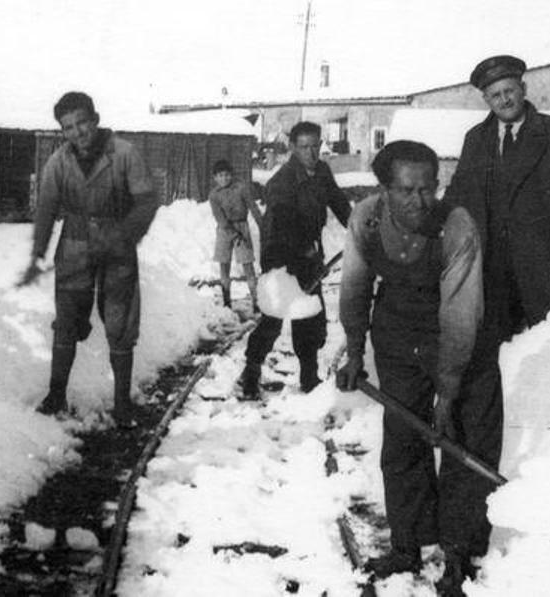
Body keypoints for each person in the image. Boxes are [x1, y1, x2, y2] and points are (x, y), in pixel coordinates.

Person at [335, 141, 501, 596]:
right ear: (385, 189)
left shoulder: (457, 226)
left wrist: (447, 391)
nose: (419, 201)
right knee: (404, 436)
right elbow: (354, 286)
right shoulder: (366, 218)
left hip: (462, 337)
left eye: (428, 188)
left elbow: (461, 314)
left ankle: (459, 553)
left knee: (462, 437)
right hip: (399, 330)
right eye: (406, 190)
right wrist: (353, 348)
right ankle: (407, 545)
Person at [23, 92, 159, 426]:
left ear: (95, 120)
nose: (77, 132)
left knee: (119, 323)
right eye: (68, 127)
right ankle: (56, 395)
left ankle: (122, 404)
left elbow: (146, 201)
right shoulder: (58, 161)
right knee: (66, 322)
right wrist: (37, 252)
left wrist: (124, 234)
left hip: (118, 248)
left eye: (82, 122)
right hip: (74, 247)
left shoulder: (124, 153)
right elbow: (46, 208)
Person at [448, 55, 550, 341]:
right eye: (495, 95)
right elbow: (459, 191)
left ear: (523, 89)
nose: (504, 100)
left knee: (548, 338)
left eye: (509, 91)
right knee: (495, 343)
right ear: (486, 100)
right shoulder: (475, 139)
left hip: (545, 257)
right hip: (492, 264)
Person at [239, 121, 351, 398]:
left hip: (309, 255)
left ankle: (309, 378)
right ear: (292, 148)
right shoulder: (282, 183)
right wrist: (301, 253)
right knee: (272, 321)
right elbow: (281, 226)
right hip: (281, 257)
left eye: (316, 146)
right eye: (304, 147)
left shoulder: (322, 172)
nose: (312, 153)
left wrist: (358, 228)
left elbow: (338, 203)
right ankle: (250, 374)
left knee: (311, 320)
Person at [207, 159, 263, 310]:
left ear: (231, 175)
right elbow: (220, 218)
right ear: (215, 178)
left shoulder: (241, 188)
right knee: (224, 265)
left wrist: (263, 227)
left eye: (226, 175)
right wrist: (234, 234)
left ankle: (256, 301)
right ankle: (226, 301)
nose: (224, 179)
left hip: (242, 227)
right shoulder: (214, 195)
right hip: (224, 231)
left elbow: (253, 208)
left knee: (248, 265)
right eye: (220, 176)